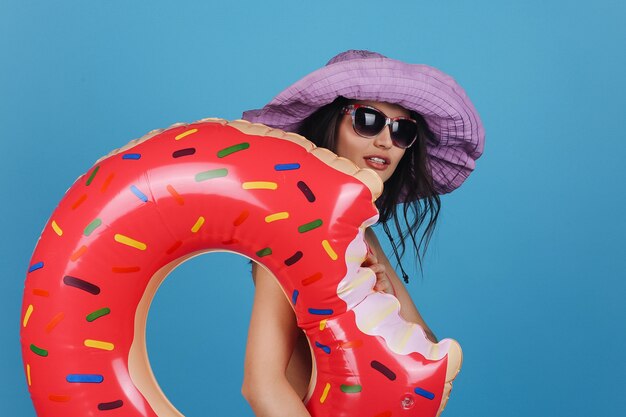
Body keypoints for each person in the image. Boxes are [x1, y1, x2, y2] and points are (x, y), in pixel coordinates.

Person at [240, 50, 484, 417]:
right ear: (329, 124)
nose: (386, 141)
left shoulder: (361, 234)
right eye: (368, 120)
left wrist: (384, 299)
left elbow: (427, 355)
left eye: (403, 130)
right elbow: (262, 385)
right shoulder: (291, 223)